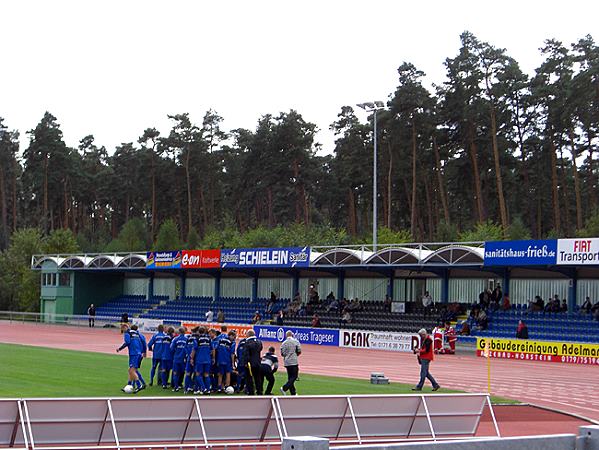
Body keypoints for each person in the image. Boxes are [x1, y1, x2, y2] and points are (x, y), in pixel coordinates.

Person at [116, 324, 147, 393]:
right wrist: (144, 352)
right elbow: (143, 342)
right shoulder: (137, 333)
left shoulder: (127, 333)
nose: (122, 331)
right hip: (139, 353)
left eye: (122, 329)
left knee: (132, 371)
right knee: (131, 370)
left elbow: (127, 342)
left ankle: (139, 385)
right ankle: (129, 385)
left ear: (125, 327)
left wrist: (119, 348)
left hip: (134, 354)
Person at [280, 331, 301, 396]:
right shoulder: (296, 341)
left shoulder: (283, 343)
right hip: (294, 361)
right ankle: (284, 388)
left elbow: (282, 353)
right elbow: (299, 350)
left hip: (287, 361)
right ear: (292, 335)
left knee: (290, 377)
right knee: (294, 376)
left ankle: (293, 392)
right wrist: (295, 355)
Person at [193, 327, 213, 394]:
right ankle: (208, 389)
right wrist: (213, 358)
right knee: (206, 374)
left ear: (199, 332)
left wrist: (191, 358)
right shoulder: (209, 339)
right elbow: (212, 349)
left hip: (199, 359)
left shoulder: (197, 339)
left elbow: (194, 350)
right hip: (207, 359)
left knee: (198, 374)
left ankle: (203, 388)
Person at [244, 330, 263, 395]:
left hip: (250, 364)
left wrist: (246, 362)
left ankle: (251, 392)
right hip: (257, 362)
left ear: (248, 335)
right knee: (258, 378)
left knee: (249, 378)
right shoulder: (259, 342)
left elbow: (246, 354)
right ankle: (259, 391)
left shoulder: (247, 343)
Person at [170, 327, 188, 392]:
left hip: (176, 358)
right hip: (184, 359)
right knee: (185, 372)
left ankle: (176, 386)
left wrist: (176, 352)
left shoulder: (175, 339)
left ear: (179, 332)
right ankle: (184, 386)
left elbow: (171, 348)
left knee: (175, 373)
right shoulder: (187, 339)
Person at [183, 327, 200, 394]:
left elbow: (185, 347)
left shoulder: (188, 338)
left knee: (188, 374)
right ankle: (195, 389)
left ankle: (186, 389)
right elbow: (196, 349)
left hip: (189, 358)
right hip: (196, 359)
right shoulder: (198, 339)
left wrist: (187, 355)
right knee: (196, 374)